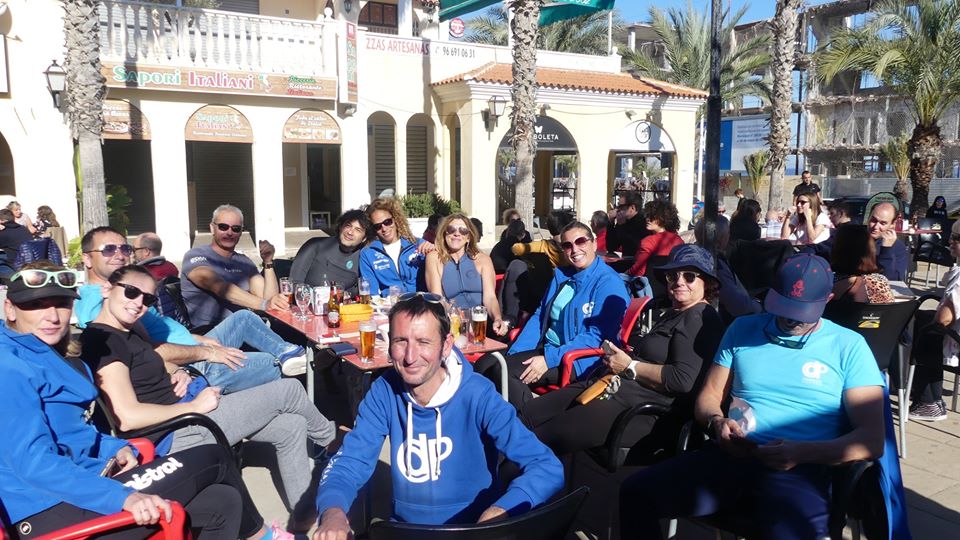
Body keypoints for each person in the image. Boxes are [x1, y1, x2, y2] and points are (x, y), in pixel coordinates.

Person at [0, 261, 281, 540]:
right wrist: (122, 496)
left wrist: (114, 447)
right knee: (213, 457)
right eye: (36, 305)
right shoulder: (9, 367)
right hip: (45, 510)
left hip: (85, 483)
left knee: (222, 502)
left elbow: (73, 432)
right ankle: (265, 537)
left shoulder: (47, 354)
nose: (52, 316)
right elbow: (34, 463)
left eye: (61, 304)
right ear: (10, 309)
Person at [619, 253, 887, 539]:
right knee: (636, 492)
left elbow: (871, 441)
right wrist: (716, 422)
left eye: (800, 313)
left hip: (803, 468)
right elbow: (709, 396)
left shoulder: (849, 346)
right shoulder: (743, 329)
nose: (789, 319)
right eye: (783, 307)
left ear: (828, 300)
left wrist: (802, 452)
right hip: (734, 456)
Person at [81, 265, 338, 534]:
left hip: (189, 411)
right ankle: (332, 443)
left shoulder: (128, 329)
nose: (139, 303)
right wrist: (193, 407)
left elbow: (152, 359)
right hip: (180, 431)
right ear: (107, 289)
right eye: (131, 292)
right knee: (290, 391)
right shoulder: (103, 341)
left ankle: (302, 514)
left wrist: (177, 371)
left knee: (291, 426)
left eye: (147, 299)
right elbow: (126, 417)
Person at [313, 293, 563, 537]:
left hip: (473, 531)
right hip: (406, 531)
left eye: (423, 342)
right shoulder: (384, 392)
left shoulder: (478, 394)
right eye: (401, 341)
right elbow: (350, 463)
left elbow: (547, 466)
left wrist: (501, 511)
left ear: (446, 346)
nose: (410, 357)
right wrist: (333, 513)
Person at [521, 245, 724, 456]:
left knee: (535, 441)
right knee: (526, 415)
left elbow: (682, 380)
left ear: (706, 283)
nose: (679, 282)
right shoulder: (676, 312)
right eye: (673, 276)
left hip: (639, 411)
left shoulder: (699, 317)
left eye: (690, 276)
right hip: (611, 388)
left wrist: (629, 366)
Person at [76, 226, 307, 392]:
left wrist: (198, 339)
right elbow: (147, 351)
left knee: (245, 319)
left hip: (195, 346)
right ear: (87, 259)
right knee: (280, 364)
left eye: (124, 248)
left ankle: (290, 353)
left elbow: (156, 334)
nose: (119, 254)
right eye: (108, 249)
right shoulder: (99, 303)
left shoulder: (121, 292)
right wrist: (206, 352)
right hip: (193, 365)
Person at [474, 221, 630, 410]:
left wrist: (549, 359)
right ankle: (490, 418)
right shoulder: (562, 276)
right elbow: (540, 316)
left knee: (504, 372)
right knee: (483, 365)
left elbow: (597, 337)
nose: (575, 249)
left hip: (579, 359)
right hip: (548, 346)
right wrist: (516, 352)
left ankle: (527, 422)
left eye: (581, 241)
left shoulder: (608, 282)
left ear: (594, 243)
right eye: (567, 245)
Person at [180, 204, 289, 329]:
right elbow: (219, 287)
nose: (229, 233)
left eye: (236, 229)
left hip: (246, 328)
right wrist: (265, 304)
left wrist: (268, 262)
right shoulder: (196, 255)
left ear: (241, 232)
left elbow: (269, 300)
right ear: (212, 228)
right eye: (223, 227)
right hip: (211, 333)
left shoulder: (244, 261)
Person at [908, 218, 960, 421]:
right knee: (924, 321)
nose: (950, 241)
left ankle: (928, 401)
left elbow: (944, 319)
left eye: (956, 238)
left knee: (921, 330)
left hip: (954, 342)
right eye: (951, 236)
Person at [425, 213, 508, 336]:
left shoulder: (483, 260)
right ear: (444, 233)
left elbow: (490, 297)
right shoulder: (434, 258)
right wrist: (457, 318)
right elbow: (437, 298)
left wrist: (497, 318)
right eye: (451, 229)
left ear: (468, 237)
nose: (457, 233)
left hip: (481, 323)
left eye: (463, 230)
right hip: (453, 324)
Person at [359, 197, 432, 296]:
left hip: (420, 300)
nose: (384, 229)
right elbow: (372, 293)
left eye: (387, 222)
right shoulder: (368, 253)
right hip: (391, 303)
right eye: (378, 226)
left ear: (395, 219)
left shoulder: (417, 244)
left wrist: (434, 250)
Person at [694, 217, 761, 319]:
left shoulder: (694, 254)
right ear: (721, 239)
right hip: (720, 319)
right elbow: (738, 305)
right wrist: (759, 306)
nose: (729, 237)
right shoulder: (714, 264)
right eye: (728, 233)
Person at [290, 209, 370, 295]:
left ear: (364, 238)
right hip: (307, 301)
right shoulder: (315, 246)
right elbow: (294, 283)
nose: (350, 232)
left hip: (341, 303)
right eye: (348, 226)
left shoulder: (364, 258)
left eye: (358, 230)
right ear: (340, 227)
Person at [830, 223, 895, 304]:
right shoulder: (879, 283)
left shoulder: (827, 283)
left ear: (837, 251)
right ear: (870, 251)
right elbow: (890, 309)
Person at [625, 200, 684, 278]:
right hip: (672, 280)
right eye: (647, 216)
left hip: (650, 282)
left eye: (652, 217)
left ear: (663, 219)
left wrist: (622, 274)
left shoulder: (648, 242)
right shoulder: (679, 241)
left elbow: (638, 271)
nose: (648, 219)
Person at [867, 202, 909, 281]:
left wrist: (886, 250)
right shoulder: (857, 238)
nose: (876, 226)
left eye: (883, 223)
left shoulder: (898, 247)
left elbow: (894, 280)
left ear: (892, 224)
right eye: (873, 220)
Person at [605, 191, 650, 258]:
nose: (618, 210)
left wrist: (621, 225)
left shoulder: (644, 223)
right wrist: (611, 223)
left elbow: (634, 247)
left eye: (621, 207)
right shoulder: (623, 220)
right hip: (626, 260)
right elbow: (611, 247)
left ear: (632, 208)